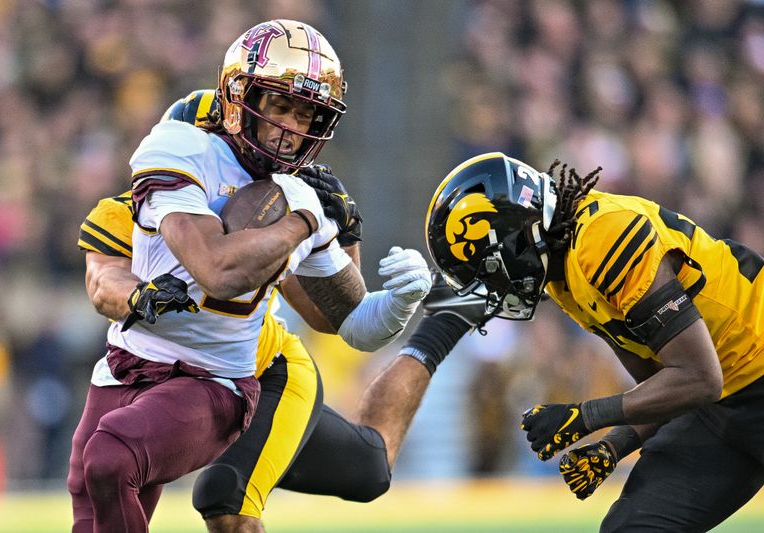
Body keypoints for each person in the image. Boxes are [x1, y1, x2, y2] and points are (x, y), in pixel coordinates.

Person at [68, 19, 433, 533]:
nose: (290, 130)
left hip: (249, 370)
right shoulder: (175, 161)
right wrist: (142, 297)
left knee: (229, 503)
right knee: (93, 485)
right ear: (234, 106)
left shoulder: (287, 196)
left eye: (306, 114)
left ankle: (448, 325)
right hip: (143, 362)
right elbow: (110, 281)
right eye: (279, 107)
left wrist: (386, 285)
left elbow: (340, 318)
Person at [425, 151, 764, 532]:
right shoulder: (562, 276)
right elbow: (665, 385)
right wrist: (615, 445)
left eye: (486, 270)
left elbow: (699, 377)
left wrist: (583, 417)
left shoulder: (602, 238)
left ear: (514, 238)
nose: (491, 288)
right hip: (719, 404)